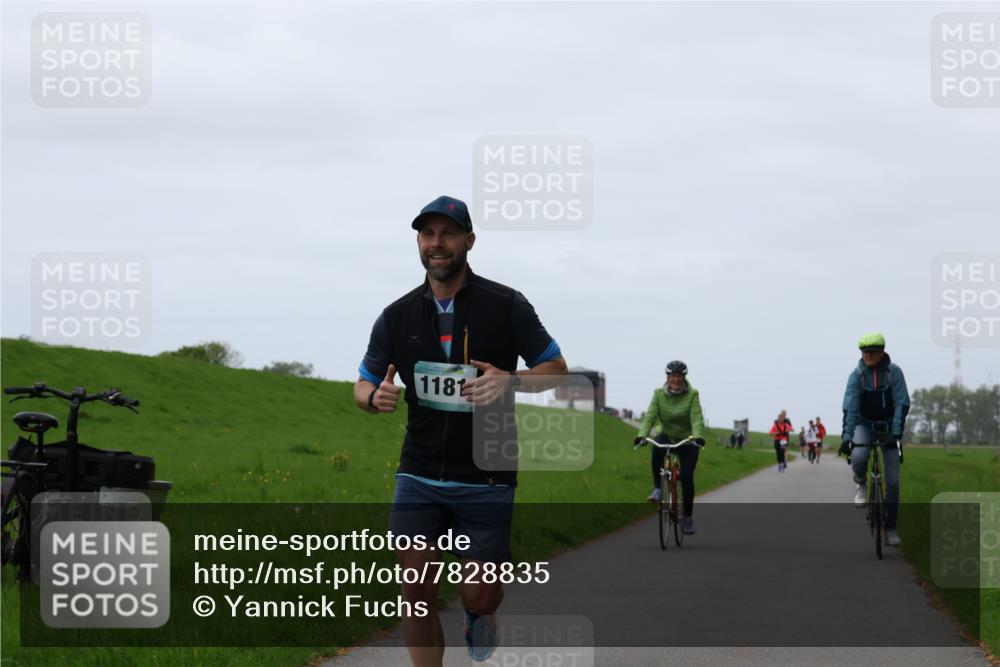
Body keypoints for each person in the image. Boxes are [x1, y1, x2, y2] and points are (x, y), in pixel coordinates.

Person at [354, 195, 568, 665]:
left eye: (448, 233)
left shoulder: (506, 305)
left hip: (486, 474)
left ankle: (478, 614)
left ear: (469, 241)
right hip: (419, 472)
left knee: (480, 594)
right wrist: (373, 397)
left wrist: (510, 380)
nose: (437, 243)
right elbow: (365, 381)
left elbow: (555, 368)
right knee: (415, 590)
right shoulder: (396, 315)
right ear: (418, 242)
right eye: (428, 234)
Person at [838, 332, 909, 547]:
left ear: (882, 352)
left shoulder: (894, 373)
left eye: (872, 351)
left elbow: (902, 403)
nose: (867, 355)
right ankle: (860, 483)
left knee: (893, 483)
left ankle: (891, 529)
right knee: (859, 456)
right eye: (864, 352)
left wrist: (896, 434)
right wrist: (847, 438)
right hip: (864, 425)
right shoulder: (857, 376)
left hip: (889, 429)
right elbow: (850, 407)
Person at [634, 360, 706, 535]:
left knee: (686, 476)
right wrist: (641, 435)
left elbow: (696, 418)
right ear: (667, 377)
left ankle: (687, 517)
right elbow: (650, 416)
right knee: (657, 449)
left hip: (687, 439)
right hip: (666, 434)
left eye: (679, 376)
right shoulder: (658, 394)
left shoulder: (692, 395)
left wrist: (698, 437)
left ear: (684, 377)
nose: (676, 379)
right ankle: (658, 489)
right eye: (673, 376)